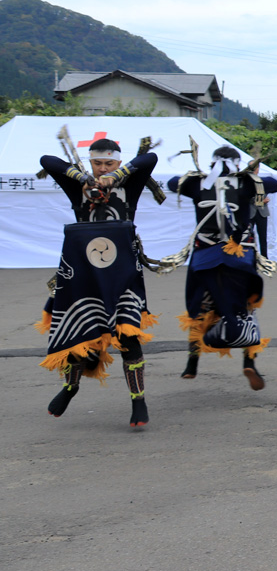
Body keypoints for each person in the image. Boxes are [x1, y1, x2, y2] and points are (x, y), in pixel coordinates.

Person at [38, 136, 161, 427]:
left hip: (122, 273)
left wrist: (116, 176)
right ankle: (71, 387)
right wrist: (82, 178)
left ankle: (138, 401)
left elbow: (149, 160)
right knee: (79, 335)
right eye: (98, 163)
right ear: (90, 162)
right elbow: (47, 161)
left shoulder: (129, 185)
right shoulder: (78, 186)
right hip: (84, 271)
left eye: (109, 163)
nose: (103, 168)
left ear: (118, 163)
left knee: (128, 337)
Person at [168, 146, 277, 391]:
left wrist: (197, 177)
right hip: (238, 256)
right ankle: (249, 361)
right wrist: (250, 178)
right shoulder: (246, 184)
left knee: (200, 306)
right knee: (246, 307)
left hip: (206, 255)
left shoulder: (197, 184)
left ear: (212, 164)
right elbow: (275, 184)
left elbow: (171, 183)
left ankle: (192, 361)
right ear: (237, 165)